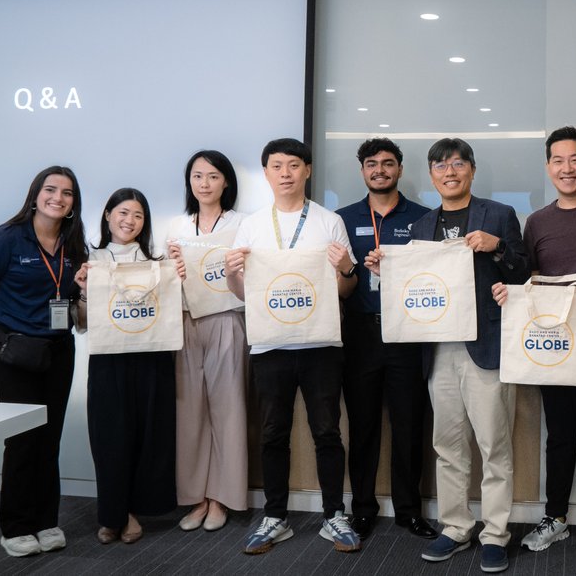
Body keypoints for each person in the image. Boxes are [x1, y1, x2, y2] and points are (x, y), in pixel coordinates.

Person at [365, 137, 529, 574]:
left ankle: (495, 533)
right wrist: (387, 273)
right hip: (438, 348)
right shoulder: (422, 225)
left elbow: (523, 272)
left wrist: (496, 247)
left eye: (458, 164)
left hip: (486, 347)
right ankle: (456, 527)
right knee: (448, 445)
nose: (449, 172)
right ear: (432, 173)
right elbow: (416, 288)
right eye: (440, 166)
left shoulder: (499, 214)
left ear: (471, 169)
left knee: (494, 445)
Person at [489, 127, 576, 567]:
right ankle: (556, 517)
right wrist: (510, 294)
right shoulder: (538, 222)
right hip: (555, 349)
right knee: (560, 438)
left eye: (575, 160)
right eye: (557, 161)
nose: (567, 169)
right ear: (548, 167)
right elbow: (532, 282)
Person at [225, 137, 361, 555]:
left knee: (327, 431)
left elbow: (346, 289)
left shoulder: (328, 221)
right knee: (272, 433)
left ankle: (334, 515)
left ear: (308, 170)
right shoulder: (249, 225)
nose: (286, 173)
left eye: (294, 165)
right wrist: (232, 273)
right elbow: (243, 293)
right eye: (277, 166)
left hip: (321, 343)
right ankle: (275, 517)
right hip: (269, 345)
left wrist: (345, 268)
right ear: (265, 173)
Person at [0, 166, 87, 557]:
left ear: (73, 203)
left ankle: (45, 520)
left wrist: (84, 294)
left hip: (58, 350)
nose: (58, 198)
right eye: (50, 190)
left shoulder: (74, 243)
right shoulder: (6, 239)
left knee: (49, 439)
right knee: (22, 440)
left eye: (67, 193)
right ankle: (15, 526)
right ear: (35, 195)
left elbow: (72, 306)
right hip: (14, 352)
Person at [334, 138, 437, 540]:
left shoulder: (425, 217)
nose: (380, 169)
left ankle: (409, 511)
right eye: (372, 164)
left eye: (388, 163)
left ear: (400, 169)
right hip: (360, 331)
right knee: (362, 427)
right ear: (362, 170)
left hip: (407, 333)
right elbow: (340, 281)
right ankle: (362, 508)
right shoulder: (341, 219)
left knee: (409, 425)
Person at [74, 188, 179, 545]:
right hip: (108, 361)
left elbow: (171, 312)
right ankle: (112, 514)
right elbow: (83, 323)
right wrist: (85, 291)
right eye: (122, 212)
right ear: (107, 215)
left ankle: (133, 510)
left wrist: (177, 274)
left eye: (137, 215)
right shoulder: (91, 259)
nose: (128, 221)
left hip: (152, 357)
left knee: (148, 437)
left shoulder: (157, 260)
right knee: (110, 438)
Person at [165, 150, 248, 533]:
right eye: (197, 176)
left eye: (213, 176)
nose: (204, 183)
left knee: (228, 409)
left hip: (228, 320)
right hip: (184, 323)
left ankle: (222, 498)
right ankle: (196, 497)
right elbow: (163, 281)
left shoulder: (243, 225)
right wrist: (171, 268)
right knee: (190, 412)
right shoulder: (176, 227)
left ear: (226, 181)